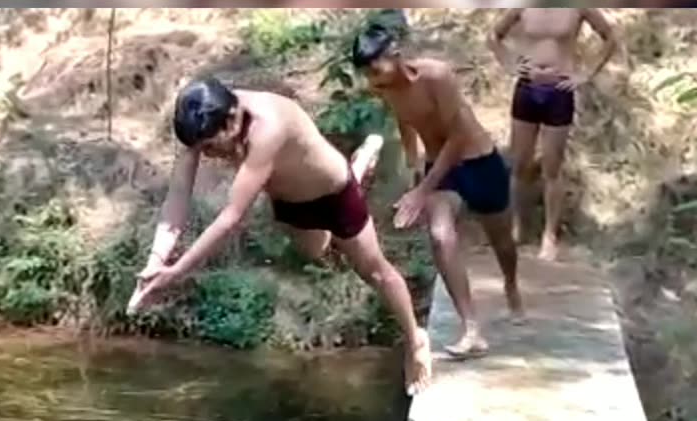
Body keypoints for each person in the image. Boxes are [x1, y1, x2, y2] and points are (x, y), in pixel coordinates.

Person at [127, 76, 432, 395]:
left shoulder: (267, 126)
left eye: (211, 148)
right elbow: (177, 196)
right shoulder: (198, 117)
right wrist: (155, 262)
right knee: (318, 252)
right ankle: (360, 166)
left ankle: (416, 340)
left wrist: (175, 272)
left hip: (334, 193)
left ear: (231, 119)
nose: (210, 156)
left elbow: (230, 217)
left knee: (374, 271)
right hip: (288, 202)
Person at [352, 22, 523, 360]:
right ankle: (471, 329)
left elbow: (458, 137)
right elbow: (405, 120)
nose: (373, 81)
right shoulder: (384, 87)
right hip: (440, 170)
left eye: (376, 69)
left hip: (479, 161)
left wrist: (422, 190)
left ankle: (512, 284)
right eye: (367, 75)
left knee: (502, 241)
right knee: (441, 235)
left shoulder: (437, 76)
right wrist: (413, 164)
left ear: (395, 54)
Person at [489, 9, 618, 261]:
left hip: (559, 90)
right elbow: (494, 35)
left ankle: (549, 236)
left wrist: (585, 74)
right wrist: (509, 63)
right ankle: (516, 227)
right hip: (527, 88)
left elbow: (610, 37)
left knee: (552, 166)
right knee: (519, 164)